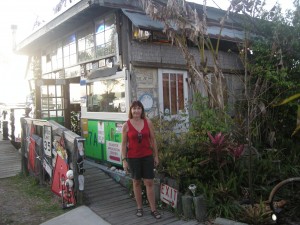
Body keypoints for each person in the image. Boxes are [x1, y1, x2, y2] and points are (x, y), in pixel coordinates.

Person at [121, 100, 161, 219]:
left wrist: (156, 156)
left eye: (139, 108)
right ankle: (139, 207)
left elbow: (153, 140)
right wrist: (124, 160)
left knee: (149, 182)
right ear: (131, 110)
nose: (136, 110)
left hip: (147, 156)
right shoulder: (126, 125)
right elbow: (123, 144)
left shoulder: (147, 122)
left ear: (142, 110)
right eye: (134, 108)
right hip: (133, 158)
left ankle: (153, 209)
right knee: (136, 182)